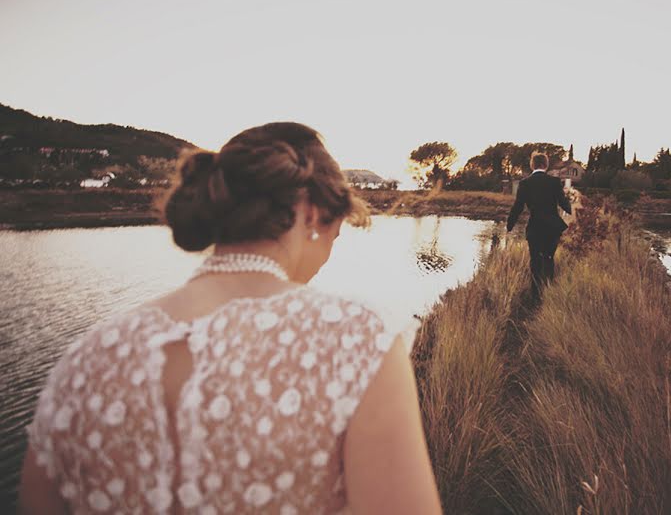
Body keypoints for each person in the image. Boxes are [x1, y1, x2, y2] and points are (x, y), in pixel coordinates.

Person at [18, 122, 442, 515]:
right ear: (311, 213)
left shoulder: (87, 357)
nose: (329, 251)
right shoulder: (359, 340)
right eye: (336, 231)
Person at [506, 152, 572, 298]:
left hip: (535, 228)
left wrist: (509, 225)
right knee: (549, 258)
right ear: (546, 165)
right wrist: (576, 212)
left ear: (532, 165)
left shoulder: (524, 184)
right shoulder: (554, 182)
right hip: (553, 228)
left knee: (535, 261)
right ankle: (548, 293)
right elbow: (564, 204)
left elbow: (517, 207)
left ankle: (535, 295)